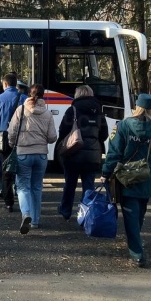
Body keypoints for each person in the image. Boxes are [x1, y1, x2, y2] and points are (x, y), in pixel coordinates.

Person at [100, 93, 151, 268]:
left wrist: (106, 172)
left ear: (137, 107)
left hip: (127, 176)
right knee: (140, 210)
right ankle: (136, 240)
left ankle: (136, 252)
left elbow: (114, 152)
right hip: (148, 177)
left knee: (131, 213)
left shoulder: (123, 126)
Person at [7, 83, 57, 234]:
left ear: (29, 93)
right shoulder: (47, 114)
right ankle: (35, 221)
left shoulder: (21, 110)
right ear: (43, 95)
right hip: (41, 155)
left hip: (23, 154)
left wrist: (12, 144)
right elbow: (52, 137)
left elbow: (12, 132)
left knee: (23, 187)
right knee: (37, 187)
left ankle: (26, 213)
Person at [56, 85, 109, 220]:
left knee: (70, 185)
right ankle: (87, 214)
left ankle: (66, 211)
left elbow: (63, 130)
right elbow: (104, 134)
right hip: (92, 156)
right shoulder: (99, 112)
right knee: (88, 186)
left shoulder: (72, 110)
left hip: (73, 154)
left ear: (77, 94)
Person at [0, 73, 25, 211]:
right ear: (15, 84)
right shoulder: (25, 99)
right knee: (21, 168)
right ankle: (23, 200)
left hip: (3, 137)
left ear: (5, 84)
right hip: (22, 138)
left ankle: (8, 201)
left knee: (5, 168)